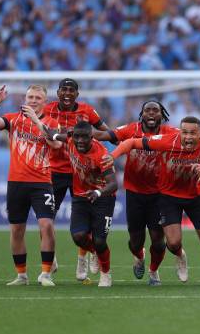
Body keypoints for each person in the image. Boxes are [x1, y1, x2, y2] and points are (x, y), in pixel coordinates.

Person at [106, 116, 200, 287]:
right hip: (168, 198)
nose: (188, 137)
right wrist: (113, 156)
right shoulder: (166, 142)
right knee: (172, 243)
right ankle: (180, 255)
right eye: (184, 132)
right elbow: (131, 143)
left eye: (192, 133)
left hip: (195, 198)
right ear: (180, 132)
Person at [89, 99, 177, 285]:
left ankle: (154, 272)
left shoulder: (171, 133)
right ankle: (139, 256)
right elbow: (106, 135)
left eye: (155, 110)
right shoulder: (130, 129)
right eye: (148, 110)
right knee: (136, 241)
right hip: (134, 193)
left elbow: (188, 139)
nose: (151, 113)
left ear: (162, 114)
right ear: (142, 114)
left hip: (159, 194)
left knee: (158, 239)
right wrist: (83, 132)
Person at [0, 84, 61, 287]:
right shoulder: (13, 119)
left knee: (47, 226)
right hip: (16, 182)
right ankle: (22, 275)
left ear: (44, 101)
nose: (33, 100)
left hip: (42, 183)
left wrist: (35, 120)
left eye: (38, 98)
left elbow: (56, 144)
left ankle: (45, 273)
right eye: (30, 97)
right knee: (17, 230)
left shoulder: (53, 122)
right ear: (25, 99)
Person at [44, 78, 109, 281]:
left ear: (77, 94)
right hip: (54, 170)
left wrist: (88, 137)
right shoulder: (47, 110)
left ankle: (83, 259)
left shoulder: (87, 111)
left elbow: (105, 131)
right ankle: (49, 257)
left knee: (86, 219)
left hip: (81, 172)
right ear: (58, 92)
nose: (67, 93)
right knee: (46, 218)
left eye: (71, 90)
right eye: (64, 89)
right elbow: (38, 129)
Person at [64, 121, 118, 287]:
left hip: (103, 198)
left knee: (100, 240)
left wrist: (98, 192)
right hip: (81, 197)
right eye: (77, 137)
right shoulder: (69, 140)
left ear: (92, 137)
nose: (79, 141)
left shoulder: (101, 154)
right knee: (78, 236)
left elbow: (113, 184)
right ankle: (94, 252)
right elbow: (53, 135)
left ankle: (106, 274)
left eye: (84, 137)